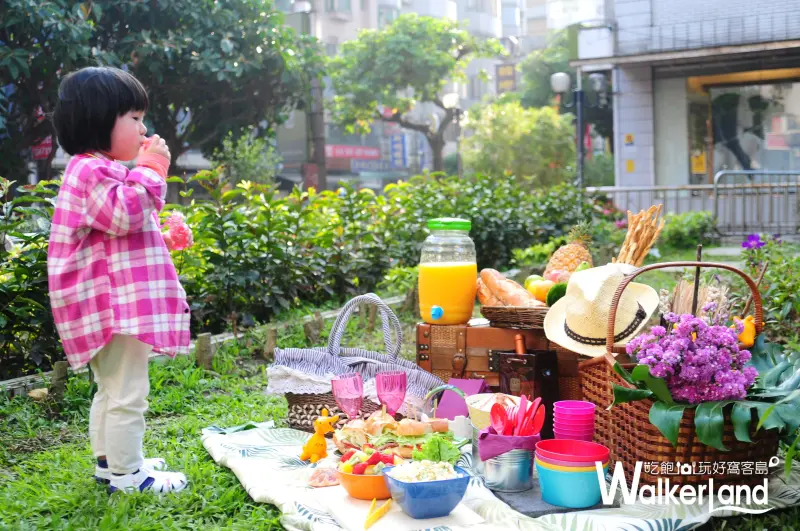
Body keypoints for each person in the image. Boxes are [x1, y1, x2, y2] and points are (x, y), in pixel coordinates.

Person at [48, 67, 191, 494]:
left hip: (106, 304)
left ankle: (112, 464)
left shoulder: (96, 169)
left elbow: (113, 236)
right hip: (112, 309)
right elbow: (126, 213)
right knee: (128, 390)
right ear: (99, 119)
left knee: (111, 389)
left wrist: (160, 235)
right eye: (133, 118)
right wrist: (153, 169)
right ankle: (130, 478)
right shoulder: (90, 171)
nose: (143, 128)